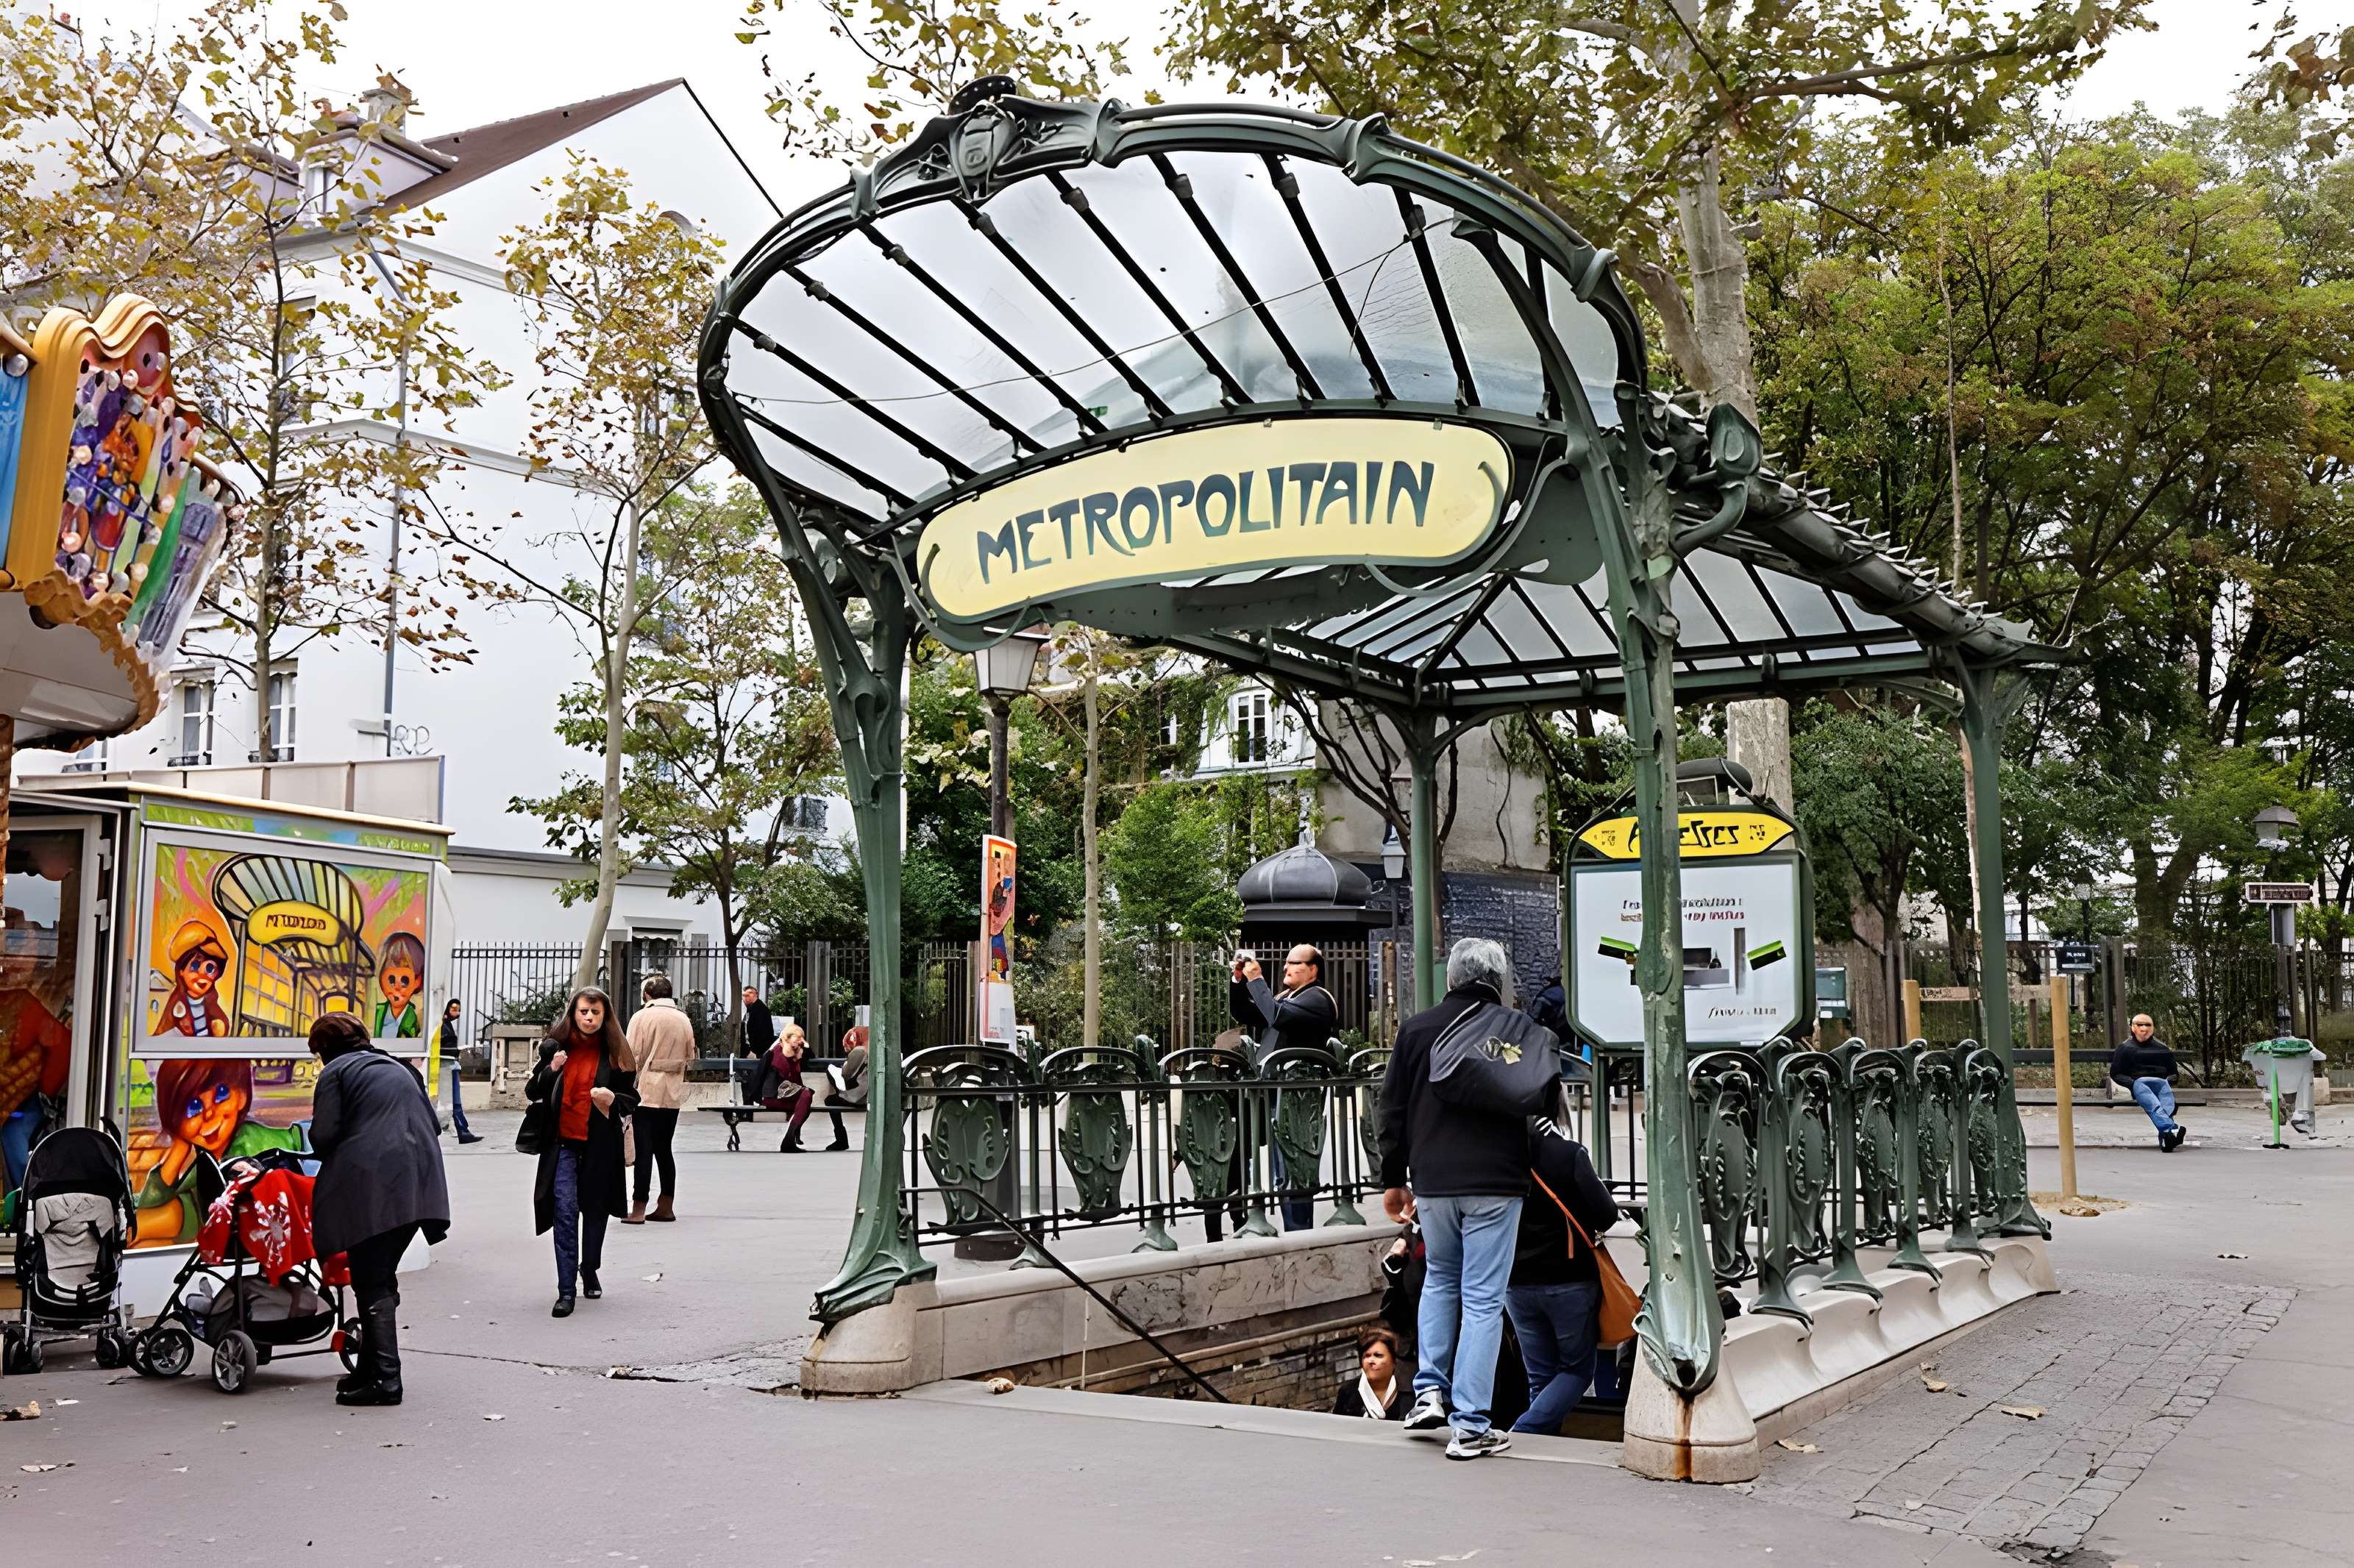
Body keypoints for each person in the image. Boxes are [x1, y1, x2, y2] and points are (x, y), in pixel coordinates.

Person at [1378, 936, 1532, 1461]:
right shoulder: (1518, 1031)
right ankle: (1471, 1424)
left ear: (1451, 978)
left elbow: (1392, 1107)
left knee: (1440, 1279)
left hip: (1435, 1181)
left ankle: (1427, 1394)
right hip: (1497, 1180)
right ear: (1499, 981)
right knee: (1485, 1299)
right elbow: (1542, 1104)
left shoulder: (1417, 1029)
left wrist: (1393, 1177)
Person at [307, 1012, 449, 1407]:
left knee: (370, 1277)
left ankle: (386, 1380)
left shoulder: (335, 1073)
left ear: (323, 1050)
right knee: (379, 1274)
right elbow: (432, 1126)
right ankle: (369, 1370)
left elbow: (323, 1137)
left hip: (373, 1186)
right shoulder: (398, 1067)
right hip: (421, 1181)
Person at [1504, 1115, 1619, 1435]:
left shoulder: (1498, 1157)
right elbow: (1606, 1215)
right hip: (1569, 1279)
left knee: (1540, 1376)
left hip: (1515, 1282)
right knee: (1578, 1370)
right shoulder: (1568, 1154)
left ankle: (1541, 1448)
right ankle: (1524, 1433)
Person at [527, 987, 638, 1317]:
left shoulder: (615, 1053)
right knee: (563, 1212)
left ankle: (589, 1268)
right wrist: (552, 1070)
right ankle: (566, 1291)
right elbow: (533, 1090)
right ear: (573, 1014)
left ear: (605, 1017)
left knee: (595, 1211)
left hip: (599, 1145)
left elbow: (633, 1098)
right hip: (561, 1145)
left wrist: (613, 1100)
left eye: (595, 1013)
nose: (589, 1018)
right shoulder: (557, 1050)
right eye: (583, 1012)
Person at [1231, 944, 1337, 1230]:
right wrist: (1239, 981)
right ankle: (1249, 1217)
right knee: (1262, 1164)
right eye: (1286, 963)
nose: (1287, 968)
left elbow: (1277, 1016)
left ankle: (1298, 1233)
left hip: (1296, 1098)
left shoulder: (1317, 998)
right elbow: (1246, 1014)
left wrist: (1257, 981)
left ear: (1313, 969)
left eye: (1295, 963)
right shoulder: (1286, 997)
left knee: (1291, 1171)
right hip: (1273, 1092)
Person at [625, 973, 694, 1222]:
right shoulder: (683, 1019)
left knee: (643, 1150)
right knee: (664, 1149)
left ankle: (638, 1208)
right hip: (672, 1092)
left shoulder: (642, 1017)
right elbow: (691, 1054)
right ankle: (666, 1204)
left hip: (646, 1092)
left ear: (647, 994)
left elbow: (631, 1055)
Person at [2110, 1013, 2186, 1152]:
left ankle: (2168, 1137)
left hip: (2161, 1083)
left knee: (2165, 1103)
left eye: (2148, 1025)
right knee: (2152, 1100)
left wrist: (2169, 1080)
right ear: (2133, 1028)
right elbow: (2116, 1074)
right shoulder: (2125, 1048)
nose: (2144, 1029)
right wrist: (2132, 1083)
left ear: (2153, 1028)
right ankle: (2172, 1128)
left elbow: (2174, 1073)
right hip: (2140, 1084)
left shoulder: (2162, 1049)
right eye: (2140, 1025)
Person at [1332, 1326, 1409, 1420]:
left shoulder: (1407, 1392)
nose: (1371, 1361)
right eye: (1367, 1356)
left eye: (1378, 1356)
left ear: (1394, 1361)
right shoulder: (1348, 1392)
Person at [761, 1022, 817, 1152]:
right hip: (773, 1096)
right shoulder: (779, 1054)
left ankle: (791, 1137)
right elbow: (787, 1080)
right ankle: (789, 1140)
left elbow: (809, 1056)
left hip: (782, 1094)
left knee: (806, 1099)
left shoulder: (790, 1053)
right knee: (806, 1096)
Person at [438, 999, 482, 1145]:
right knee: (453, 1101)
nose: (457, 1013)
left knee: (455, 1102)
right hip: (445, 1067)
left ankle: (463, 1130)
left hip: (450, 1065)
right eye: (454, 1009)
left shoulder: (446, 1025)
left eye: (458, 1009)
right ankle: (463, 1131)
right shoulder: (442, 1026)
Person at [820, 1023, 869, 1152]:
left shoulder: (859, 1051)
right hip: (869, 1094)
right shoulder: (872, 1049)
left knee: (830, 1101)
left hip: (860, 1096)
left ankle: (841, 1140)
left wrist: (845, 1065)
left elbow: (846, 1075)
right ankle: (841, 1140)